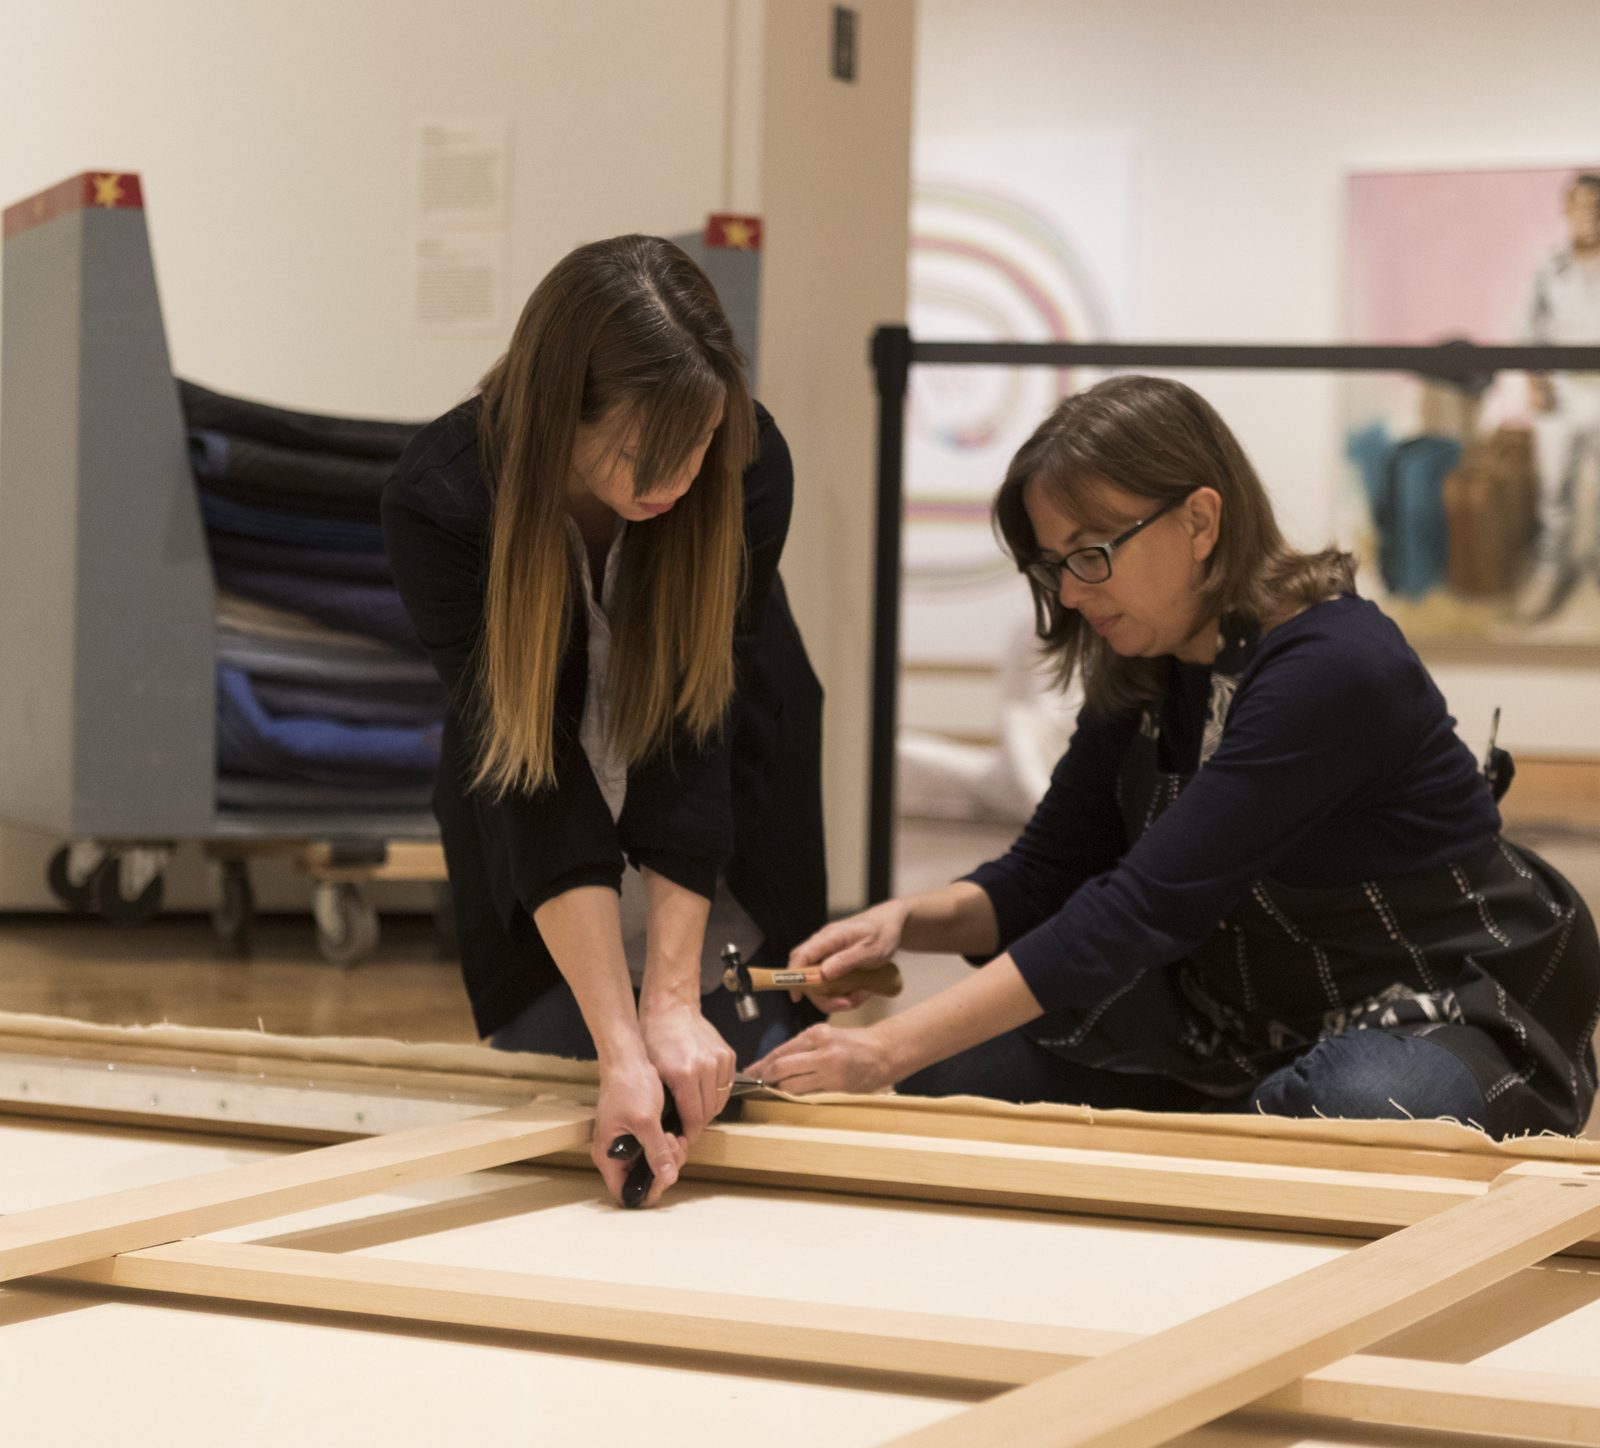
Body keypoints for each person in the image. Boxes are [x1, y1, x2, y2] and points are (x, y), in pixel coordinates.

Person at [751, 376, 1600, 1140]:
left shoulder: (1336, 664)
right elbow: (1047, 873)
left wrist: (884, 1048)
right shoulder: (1149, 666)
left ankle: (1254, 1131)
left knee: (1368, 1112)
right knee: (962, 1075)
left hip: (1434, 1004)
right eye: (1055, 568)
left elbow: (1140, 910)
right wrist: (908, 920)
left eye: (1092, 554)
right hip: (1236, 1019)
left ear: (1200, 519)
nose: (1074, 594)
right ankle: (1247, 1128)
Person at [383, 235, 827, 1206]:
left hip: (724, 830)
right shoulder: (444, 496)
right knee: (570, 1096)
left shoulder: (748, 462)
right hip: (536, 833)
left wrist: (668, 1000)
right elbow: (532, 768)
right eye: (639, 452)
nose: (672, 478)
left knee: (731, 1110)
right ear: (557, 416)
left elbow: (695, 736)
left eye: (696, 442)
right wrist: (621, 1040)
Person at [1517, 172, 1600, 622]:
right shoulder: (1549, 267)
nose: (1592, 215)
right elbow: (1527, 332)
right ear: (1567, 210)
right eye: (1583, 206)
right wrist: (1537, 383)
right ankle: (1550, 572)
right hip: (1562, 394)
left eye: (1598, 206)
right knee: (1555, 492)